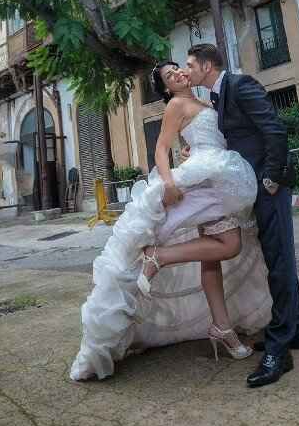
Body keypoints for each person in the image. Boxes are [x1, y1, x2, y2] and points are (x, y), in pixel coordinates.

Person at [70, 62, 272, 381]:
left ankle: (222, 328)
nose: (177, 73)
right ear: (166, 88)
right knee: (229, 245)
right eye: (169, 76)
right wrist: (169, 183)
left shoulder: (205, 100)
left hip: (216, 175)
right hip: (204, 179)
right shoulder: (177, 103)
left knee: (215, 258)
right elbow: (162, 148)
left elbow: (200, 138)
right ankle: (158, 257)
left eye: (177, 68)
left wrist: (194, 150)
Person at [186, 44, 299, 388]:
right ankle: (298, 330)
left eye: (190, 64)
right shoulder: (218, 96)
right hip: (253, 187)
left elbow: (274, 129)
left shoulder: (240, 85)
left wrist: (270, 178)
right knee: (277, 258)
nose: (187, 70)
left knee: (280, 261)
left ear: (207, 66)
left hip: (269, 185)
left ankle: (279, 348)